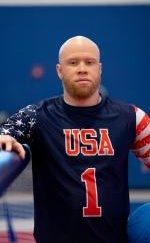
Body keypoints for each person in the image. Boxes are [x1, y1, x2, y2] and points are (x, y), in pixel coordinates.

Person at [0, 36, 150, 243]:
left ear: (99, 68)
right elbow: (7, 131)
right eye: (73, 62)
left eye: (89, 62)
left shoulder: (132, 118)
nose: (82, 68)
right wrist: (5, 138)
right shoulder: (36, 117)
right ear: (59, 71)